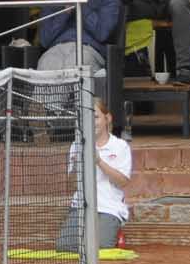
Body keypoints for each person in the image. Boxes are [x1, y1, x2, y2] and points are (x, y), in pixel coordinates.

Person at [53, 98, 132, 253]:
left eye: (95, 117)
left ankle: (114, 233)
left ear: (107, 118)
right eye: (86, 118)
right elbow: (71, 186)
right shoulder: (76, 145)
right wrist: (78, 164)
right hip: (81, 206)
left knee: (101, 247)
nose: (91, 122)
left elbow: (123, 182)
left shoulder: (120, 146)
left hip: (109, 208)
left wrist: (98, 161)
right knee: (64, 246)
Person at [36, 0, 122, 84]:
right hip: (56, 49)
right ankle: (53, 105)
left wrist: (80, 2)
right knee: (46, 63)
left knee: (75, 64)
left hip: (88, 49)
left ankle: (58, 105)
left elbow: (102, 34)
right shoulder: (52, 2)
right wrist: (67, 7)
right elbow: (45, 40)